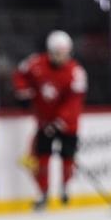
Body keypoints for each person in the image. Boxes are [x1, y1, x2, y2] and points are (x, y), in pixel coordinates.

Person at [12, 30, 87, 210]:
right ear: (50, 51)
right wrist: (23, 91)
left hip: (68, 124)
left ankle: (64, 190)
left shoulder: (76, 72)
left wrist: (59, 121)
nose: (60, 57)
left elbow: (74, 103)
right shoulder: (35, 63)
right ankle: (44, 193)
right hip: (44, 121)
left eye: (64, 53)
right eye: (57, 53)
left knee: (67, 157)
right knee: (42, 157)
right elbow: (19, 75)